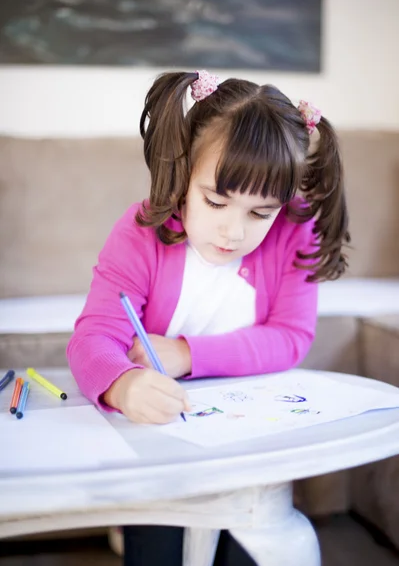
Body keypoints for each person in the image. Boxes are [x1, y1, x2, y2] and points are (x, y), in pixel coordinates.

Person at [67, 70, 350, 566]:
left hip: (247, 443)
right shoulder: (142, 232)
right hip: (160, 447)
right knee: (158, 549)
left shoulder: (294, 232)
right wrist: (121, 384)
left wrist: (185, 354)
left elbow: (290, 337)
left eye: (259, 213)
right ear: (182, 176)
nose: (233, 230)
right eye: (215, 201)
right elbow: (94, 336)